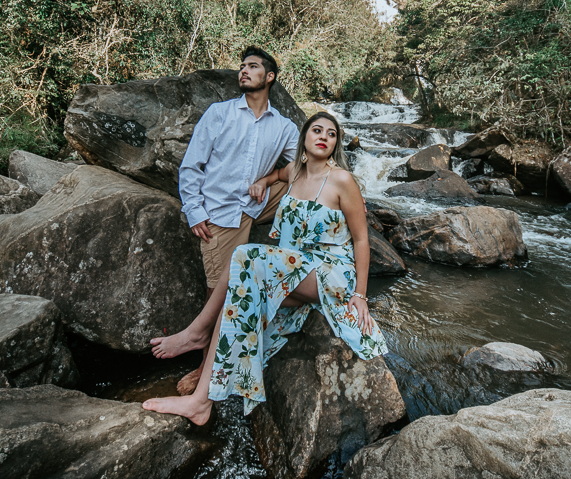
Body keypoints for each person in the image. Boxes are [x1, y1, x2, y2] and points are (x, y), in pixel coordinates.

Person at [143, 112, 388, 424]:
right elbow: (278, 175)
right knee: (239, 292)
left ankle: (197, 333)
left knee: (245, 256)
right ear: (305, 138)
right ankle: (201, 401)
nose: (323, 136)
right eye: (316, 130)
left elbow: (362, 239)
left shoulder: (341, 180)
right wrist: (263, 181)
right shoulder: (295, 173)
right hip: (294, 270)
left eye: (331, 133)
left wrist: (361, 295)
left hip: (329, 273)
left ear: (336, 143)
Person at [173, 46, 300, 394]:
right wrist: (195, 211)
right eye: (242, 67)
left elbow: (302, 167)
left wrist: (269, 178)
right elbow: (191, 166)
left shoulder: (284, 127)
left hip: (256, 204)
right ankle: (205, 363)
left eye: (253, 67)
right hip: (221, 213)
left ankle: (303, 258)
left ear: (269, 77)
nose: (243, 71)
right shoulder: (219, 114)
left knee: (305, 189)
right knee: (223, 292)